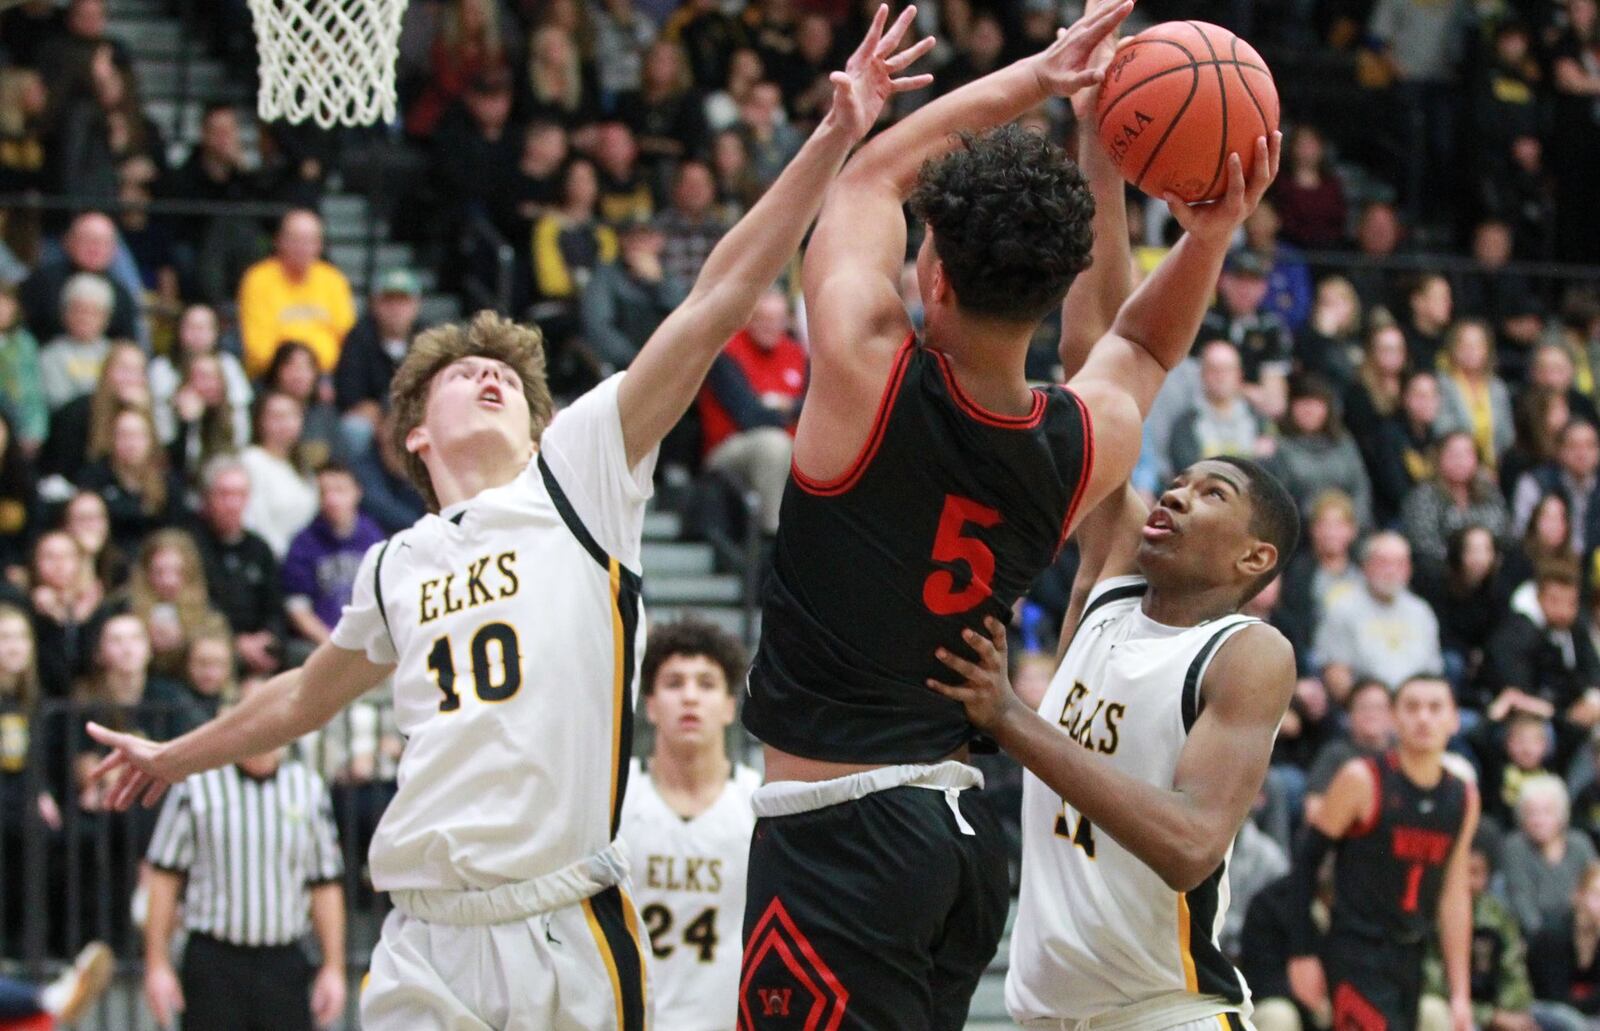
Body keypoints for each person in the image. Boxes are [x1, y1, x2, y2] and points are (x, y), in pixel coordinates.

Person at [85, 14, 937, 1030]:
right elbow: (304, 694)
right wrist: (174, 753)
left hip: (559, 923)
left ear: (540, 423)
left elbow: (714, 299)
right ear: (413, 435)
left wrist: (830, 135)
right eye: (460, 373)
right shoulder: (395, 560)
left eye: (505, 376)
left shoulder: (579, 473)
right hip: (422, 933)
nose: (487, 374)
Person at [737, 0, 1280, 1021]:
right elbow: (1145, 346)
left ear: (931, 274)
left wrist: (1046, 73)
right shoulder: (1080, 442)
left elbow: (863, 175)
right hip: (958, 842)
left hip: (840, 834)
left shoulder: (864, 374)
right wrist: (1208, 235)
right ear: (1055, 286)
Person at [143, 675, 347, 1031]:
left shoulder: (308, 788)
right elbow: (163, 877)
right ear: (232, 717)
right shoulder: (198, 784)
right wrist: (157, 963)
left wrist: (334, 966)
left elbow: (324, 883)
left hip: (284, 960)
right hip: (213, 959)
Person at [1285, 676, 1479, 1031]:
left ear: (1454, 719)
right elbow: (1305, 863)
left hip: (1412, 956)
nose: (1423, 717)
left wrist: (1460, 993)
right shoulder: (1361, 779)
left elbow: (1454, 895)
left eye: (1435, 708)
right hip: (1355, 953)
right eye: (1412, 707)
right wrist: (1303, 952)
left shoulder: (1463, 797)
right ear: (1393, 718)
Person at [617, 619, 759, 1031]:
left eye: (707, 684)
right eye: (674, 683)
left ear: (731, 706)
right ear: (650, 703)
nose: (690, 697)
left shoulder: (758, 803)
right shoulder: (616, 797)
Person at [696, 290, 806, 536]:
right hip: (728, 449)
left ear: (787, 322)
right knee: (773, 444)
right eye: (762, 319)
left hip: (792, 444)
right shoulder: (726, 352)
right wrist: (791, 409)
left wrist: (782, 407)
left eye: (776, 320)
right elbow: (748, 416)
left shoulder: (797, 353)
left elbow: (812, 406)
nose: (769, 327)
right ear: (748, 319)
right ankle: (773, 537)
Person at [1419, 835, 1539, 1031]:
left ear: (1487, 878)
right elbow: (1432, 986)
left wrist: (1512, 1013)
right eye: (1460, 872)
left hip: (1497, 1012)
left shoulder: (1497, 916)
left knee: (1563, 1021)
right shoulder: (1427, 916)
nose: (1467, 881)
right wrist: (1491, 1016)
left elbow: (1514, 974)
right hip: (1448, 1012)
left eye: (1475, 873)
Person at [1313, 532, 1444, 698]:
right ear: (1365, 565)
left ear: (1409, 569)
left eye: (1399, 563)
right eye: (1383, 562)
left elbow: (1433, 673)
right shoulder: (1343, 608)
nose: (1391, 570)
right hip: (1366, 707)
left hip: (1414, 706)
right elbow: (1336, 675)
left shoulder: (1421, 611)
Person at [188, 457, 286, 676]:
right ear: (206, 498)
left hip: (261, 645)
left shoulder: (260, 548)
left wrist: (269, 637)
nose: (233, 504)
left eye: (240, 495)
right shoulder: (191, 546)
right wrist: (235, 641)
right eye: (224, 495)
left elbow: (274, 606)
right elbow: (196, 606)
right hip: (211, 640)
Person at [236, 209, 357, 379]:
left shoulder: (333, 279)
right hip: (272, 376)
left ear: (319, 245)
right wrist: (296, 370)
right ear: (278, 241)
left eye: (309, 241)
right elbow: (257, 347)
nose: (302, 247)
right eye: (295, 239)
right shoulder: (258, 279)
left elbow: (348, 337)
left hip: (325, 377)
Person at [281, 462, 385, 653]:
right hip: (323, 644)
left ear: (357, 492)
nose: (331, 499)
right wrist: (332, 645)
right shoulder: (303, 544)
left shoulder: (374, 537)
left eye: (340, 490)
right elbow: (298, 609)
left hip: (370, 642)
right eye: (324, 492)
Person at [333, 270, 422, 455]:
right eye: (388, 301)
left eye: (403, 301)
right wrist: (383, 419)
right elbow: (350, 393)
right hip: (373, 420)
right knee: (355, 429)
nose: (396, 309)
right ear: (374, 304)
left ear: (416, 306)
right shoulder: (358, 337)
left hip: (416, 418)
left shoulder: (428, 338)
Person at [1501, 775, 1598, 937]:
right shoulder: (1515, 847)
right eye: (1531, 813)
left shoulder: (1580, 844)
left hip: (1582, 932)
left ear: (1561, 814)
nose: (1539, 820)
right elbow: (1522, 903)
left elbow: (1594, 888)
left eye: (1547, 812)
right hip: (1537, 936)